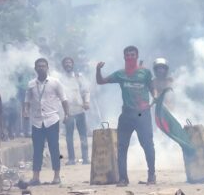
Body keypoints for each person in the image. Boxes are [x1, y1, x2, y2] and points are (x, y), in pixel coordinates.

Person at [96, 46, 157, 187]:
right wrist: (98, 70)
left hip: (143, 114)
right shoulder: (120, 74)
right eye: (127, 55)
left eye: (132, 55)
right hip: (126, 114)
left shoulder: (145, 73)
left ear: (136, 56)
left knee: (148, 145)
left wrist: (155, 97)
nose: (130, 57)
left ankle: (152, 175)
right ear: (124, 58)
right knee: (122, 147)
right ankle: (123, 179)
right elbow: (100, 81)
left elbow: (152, 87)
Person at [24, 58, 69, 185]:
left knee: (54, 148)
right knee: (37, 149)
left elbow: (64, 99)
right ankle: (36, 177)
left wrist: (67, 114)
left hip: (52, 119)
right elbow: (26, 100)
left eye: (43, 66)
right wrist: (25, 111)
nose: (41, 68)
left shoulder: (55, 82)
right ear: (35, 68)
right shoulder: (31, 84)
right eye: (38, 66)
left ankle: (56, 176)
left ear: (47, 67)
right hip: (37, 121)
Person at [61, 57, 90, 165]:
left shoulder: (78, 77)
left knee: (83, 134)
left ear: (72, 65)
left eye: (69, 62)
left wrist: (86, 102)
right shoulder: (60, 79)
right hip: (68, 111)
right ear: (63, 66)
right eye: (66, 63)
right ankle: (72, 159)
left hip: (79, 110)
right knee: (69, 136)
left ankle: (85, 158)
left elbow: (86, 90)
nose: (68, 64)